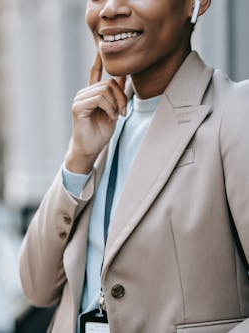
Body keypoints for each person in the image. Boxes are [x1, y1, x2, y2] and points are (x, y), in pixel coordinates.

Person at [19, 0, 249, 332]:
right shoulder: (103, 125)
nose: (110, 9)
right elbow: (36, 287)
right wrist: (77, 159)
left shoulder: (234, 113)